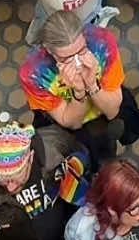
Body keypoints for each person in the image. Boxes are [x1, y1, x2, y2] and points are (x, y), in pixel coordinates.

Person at [19, 11, 125, 165]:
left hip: (104, 110)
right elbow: (73, 123)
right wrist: (79, 91)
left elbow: (112, 112)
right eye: (66, 58)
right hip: (74, 127)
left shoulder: (103, 43)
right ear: (48, 50)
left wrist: (91, 84)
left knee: (108, 149)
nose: (77, 63)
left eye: (82, 51)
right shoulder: (34, 74)